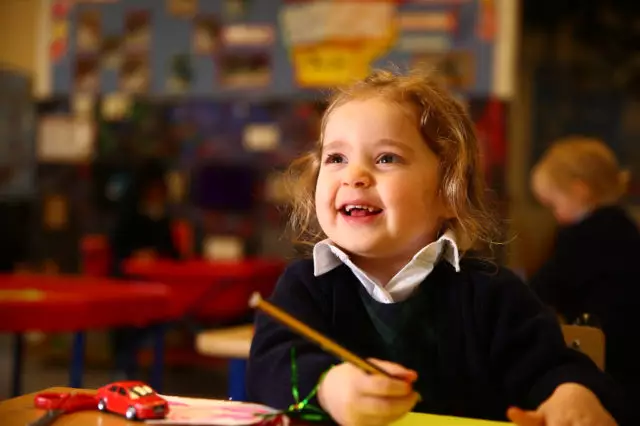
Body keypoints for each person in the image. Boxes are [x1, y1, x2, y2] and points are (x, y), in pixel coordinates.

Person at [246, 70, 626, 426]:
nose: (354, 176)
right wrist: (329, 389)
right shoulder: (304, 286)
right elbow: (269, 370)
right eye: (336, 158)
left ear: (449, 192)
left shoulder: (492, 295)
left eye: (386, 158)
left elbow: (555, 365)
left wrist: (570, 393)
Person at [529, 136, 640, 412]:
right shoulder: (625, 226)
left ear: (580, 192)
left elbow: (543, 286)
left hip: (608, 352)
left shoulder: (583, 237)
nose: (554, 216)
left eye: (553, 205)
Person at [109, 159, 180, 379]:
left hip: (158, 283)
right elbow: (118, 247)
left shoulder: (161, 214)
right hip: (128, 284)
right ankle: (124, 365)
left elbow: (173, 253)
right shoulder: (128, 212)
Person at [110, 160, 180, 277]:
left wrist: (157, 255)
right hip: (130, 275)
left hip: (160, 274)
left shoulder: (162, 217)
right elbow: (118, 247)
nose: (157, 193)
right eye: (154, 188)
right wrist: (136, 254)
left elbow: (172, 253)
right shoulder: (129, 215)